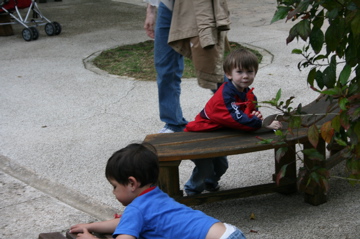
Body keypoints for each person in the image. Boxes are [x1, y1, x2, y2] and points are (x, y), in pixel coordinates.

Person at [70, 143, 246, 239]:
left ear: (132, 183)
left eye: (115, 186)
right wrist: (91, 226)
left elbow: (130, 222)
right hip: (231, 233)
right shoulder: (157, 196)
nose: (113, 192)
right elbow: (125, 224)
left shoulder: (136, 208)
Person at [183, 48, 282, 196]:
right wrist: (261, 124)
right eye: (240, 72)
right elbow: (238, 119)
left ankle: (210, 183)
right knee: (206, 168)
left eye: (250, 71)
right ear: (229, 74)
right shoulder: (225, 95)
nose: (245, 76)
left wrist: (256, 118)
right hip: (199, 135)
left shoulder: (248, 93)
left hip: (218, 134)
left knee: (222, 166)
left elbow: (251, 114)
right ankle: (192, 191)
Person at [144, 1, 187, 133]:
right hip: (167, 6)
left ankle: (239, 110)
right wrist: (151, 10)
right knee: (165, 67)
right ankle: (174, 124)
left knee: (209, 66)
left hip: (198, 6)